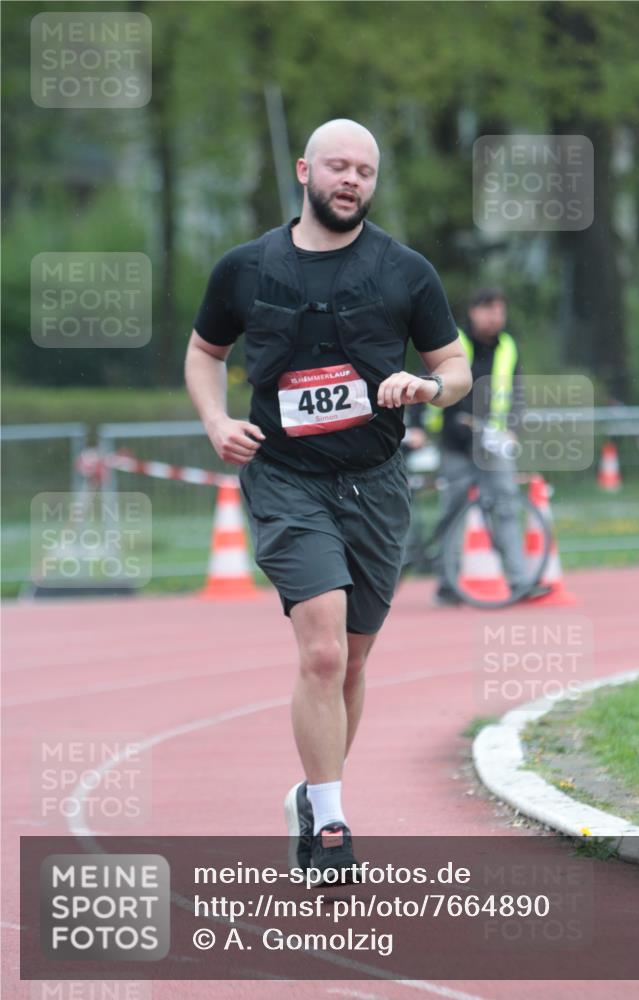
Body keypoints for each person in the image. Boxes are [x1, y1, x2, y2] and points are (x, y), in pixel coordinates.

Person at [185, 118, 471, 880]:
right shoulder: (245, 268)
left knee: (350, 658)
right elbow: (204, 352)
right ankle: (335, 828)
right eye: (339, 166)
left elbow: (456, 365)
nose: (351, 181)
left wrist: (429, 385)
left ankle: (314, 795)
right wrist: (217, 421)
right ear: (306, 171)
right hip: (285, 479)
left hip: (375, 484)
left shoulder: (404, 271)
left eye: (365, 172)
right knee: (318, 649)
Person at [410, 287, 550, 606]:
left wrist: (513, 430)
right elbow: (426, 379)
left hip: (493, 446)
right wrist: (416, 426)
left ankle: (519, 581)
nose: (495, 317)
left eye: (499, 310)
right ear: (473, 311)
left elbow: (517, 393)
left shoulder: (508, 347)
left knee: (506, 509)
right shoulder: (453, 341)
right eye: (488, 310)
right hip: (455, 443)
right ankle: (448, 584)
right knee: (453, 512)